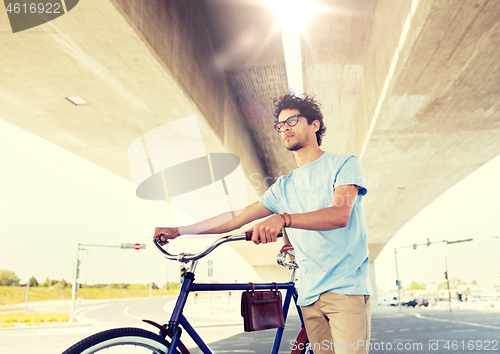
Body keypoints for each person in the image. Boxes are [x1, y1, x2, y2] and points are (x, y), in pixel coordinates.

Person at [154, 92, 372, 354]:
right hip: (309, 295)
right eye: (280, 125)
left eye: (293, 120)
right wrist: (180, 230)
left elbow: (339, 215)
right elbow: (236, 217)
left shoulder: (344, 163)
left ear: (315, 125)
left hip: (345, 290)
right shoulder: (284, 186)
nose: (285, 128)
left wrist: (283, 219)